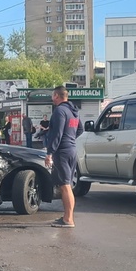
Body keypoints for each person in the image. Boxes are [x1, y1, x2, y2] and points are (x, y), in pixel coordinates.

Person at [44, 87, 83, 228]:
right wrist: (70, 139)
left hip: (62, 152)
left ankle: (68, 220)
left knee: (65, 185)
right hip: (72, 150)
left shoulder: (59, 111)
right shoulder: (74, 111)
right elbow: (80, 129)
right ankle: (67, 217)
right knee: (67, 185)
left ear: (56, 96)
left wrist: (49, 153)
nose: (52, 98)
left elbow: (57, 134)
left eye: (52, 95)